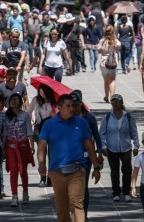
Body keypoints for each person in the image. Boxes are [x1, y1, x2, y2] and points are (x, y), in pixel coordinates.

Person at [37, 94, 101, 222]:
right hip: (56, 172)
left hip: (77, 170)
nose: (72, 108)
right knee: (62, 208)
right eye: (68, 106)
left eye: (73, 105)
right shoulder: (49, 124)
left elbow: (89, 145)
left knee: (76, 204)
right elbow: (42, 146)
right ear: (59, 107)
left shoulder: (82, 123)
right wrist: (42, 164)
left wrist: (96, 167)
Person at [99, 94, 139, 202]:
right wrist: (103, 146)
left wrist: (136, 145)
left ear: (121, 103)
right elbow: (101, 133)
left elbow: (134, 132)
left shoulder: (128, 117)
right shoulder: (107, 117)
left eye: (117, 101)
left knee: (127, 170)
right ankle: (116, 192)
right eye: (113, 101)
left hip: (126, 147)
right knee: (114, 171)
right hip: (112, 148)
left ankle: (126, 192)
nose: (115, 103)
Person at [71, 90, 103, 219]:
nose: (74, 108)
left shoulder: (89, 117)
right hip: (70, 156)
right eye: (72, 105)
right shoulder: (67, 117)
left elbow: (96, 135)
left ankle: (83, 214)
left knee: (83, 187)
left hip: (85, 156)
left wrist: (100, 152)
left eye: (76, 105)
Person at [4, 93, 35, 207]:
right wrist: (3, 147)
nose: (14, 101)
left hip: (22, 146)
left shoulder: (25, 115)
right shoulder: (6, 116)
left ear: (21, 102)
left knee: (23, 170)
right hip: (11, 147)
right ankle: (14, 196)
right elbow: (5, 133)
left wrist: (32, 145)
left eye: (17, 99)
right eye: (12, 99)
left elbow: (29, 131)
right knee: (13, 171)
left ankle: (25, 192)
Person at [27, 84, 57, 186]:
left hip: (52, 129)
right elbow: (29, 111)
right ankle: (43, 177)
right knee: (41, 154)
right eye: (40, 91)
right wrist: (31, 121)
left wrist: (54, 113)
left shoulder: (54, 102)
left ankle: (51, 177)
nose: (42, 94)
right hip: (40, 128)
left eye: (44, 91)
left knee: (52, 154)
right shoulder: (36, 100)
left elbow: (59, 114)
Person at [98, 25, 121, 103]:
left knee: (106, 81)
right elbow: (119, 46)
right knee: (112, 80)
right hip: (113, 62)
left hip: (104, 63)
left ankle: (106, 97)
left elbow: (99, 50)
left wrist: (104, 49)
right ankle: (112, 97)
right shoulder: (115, 40)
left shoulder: (102, 40)